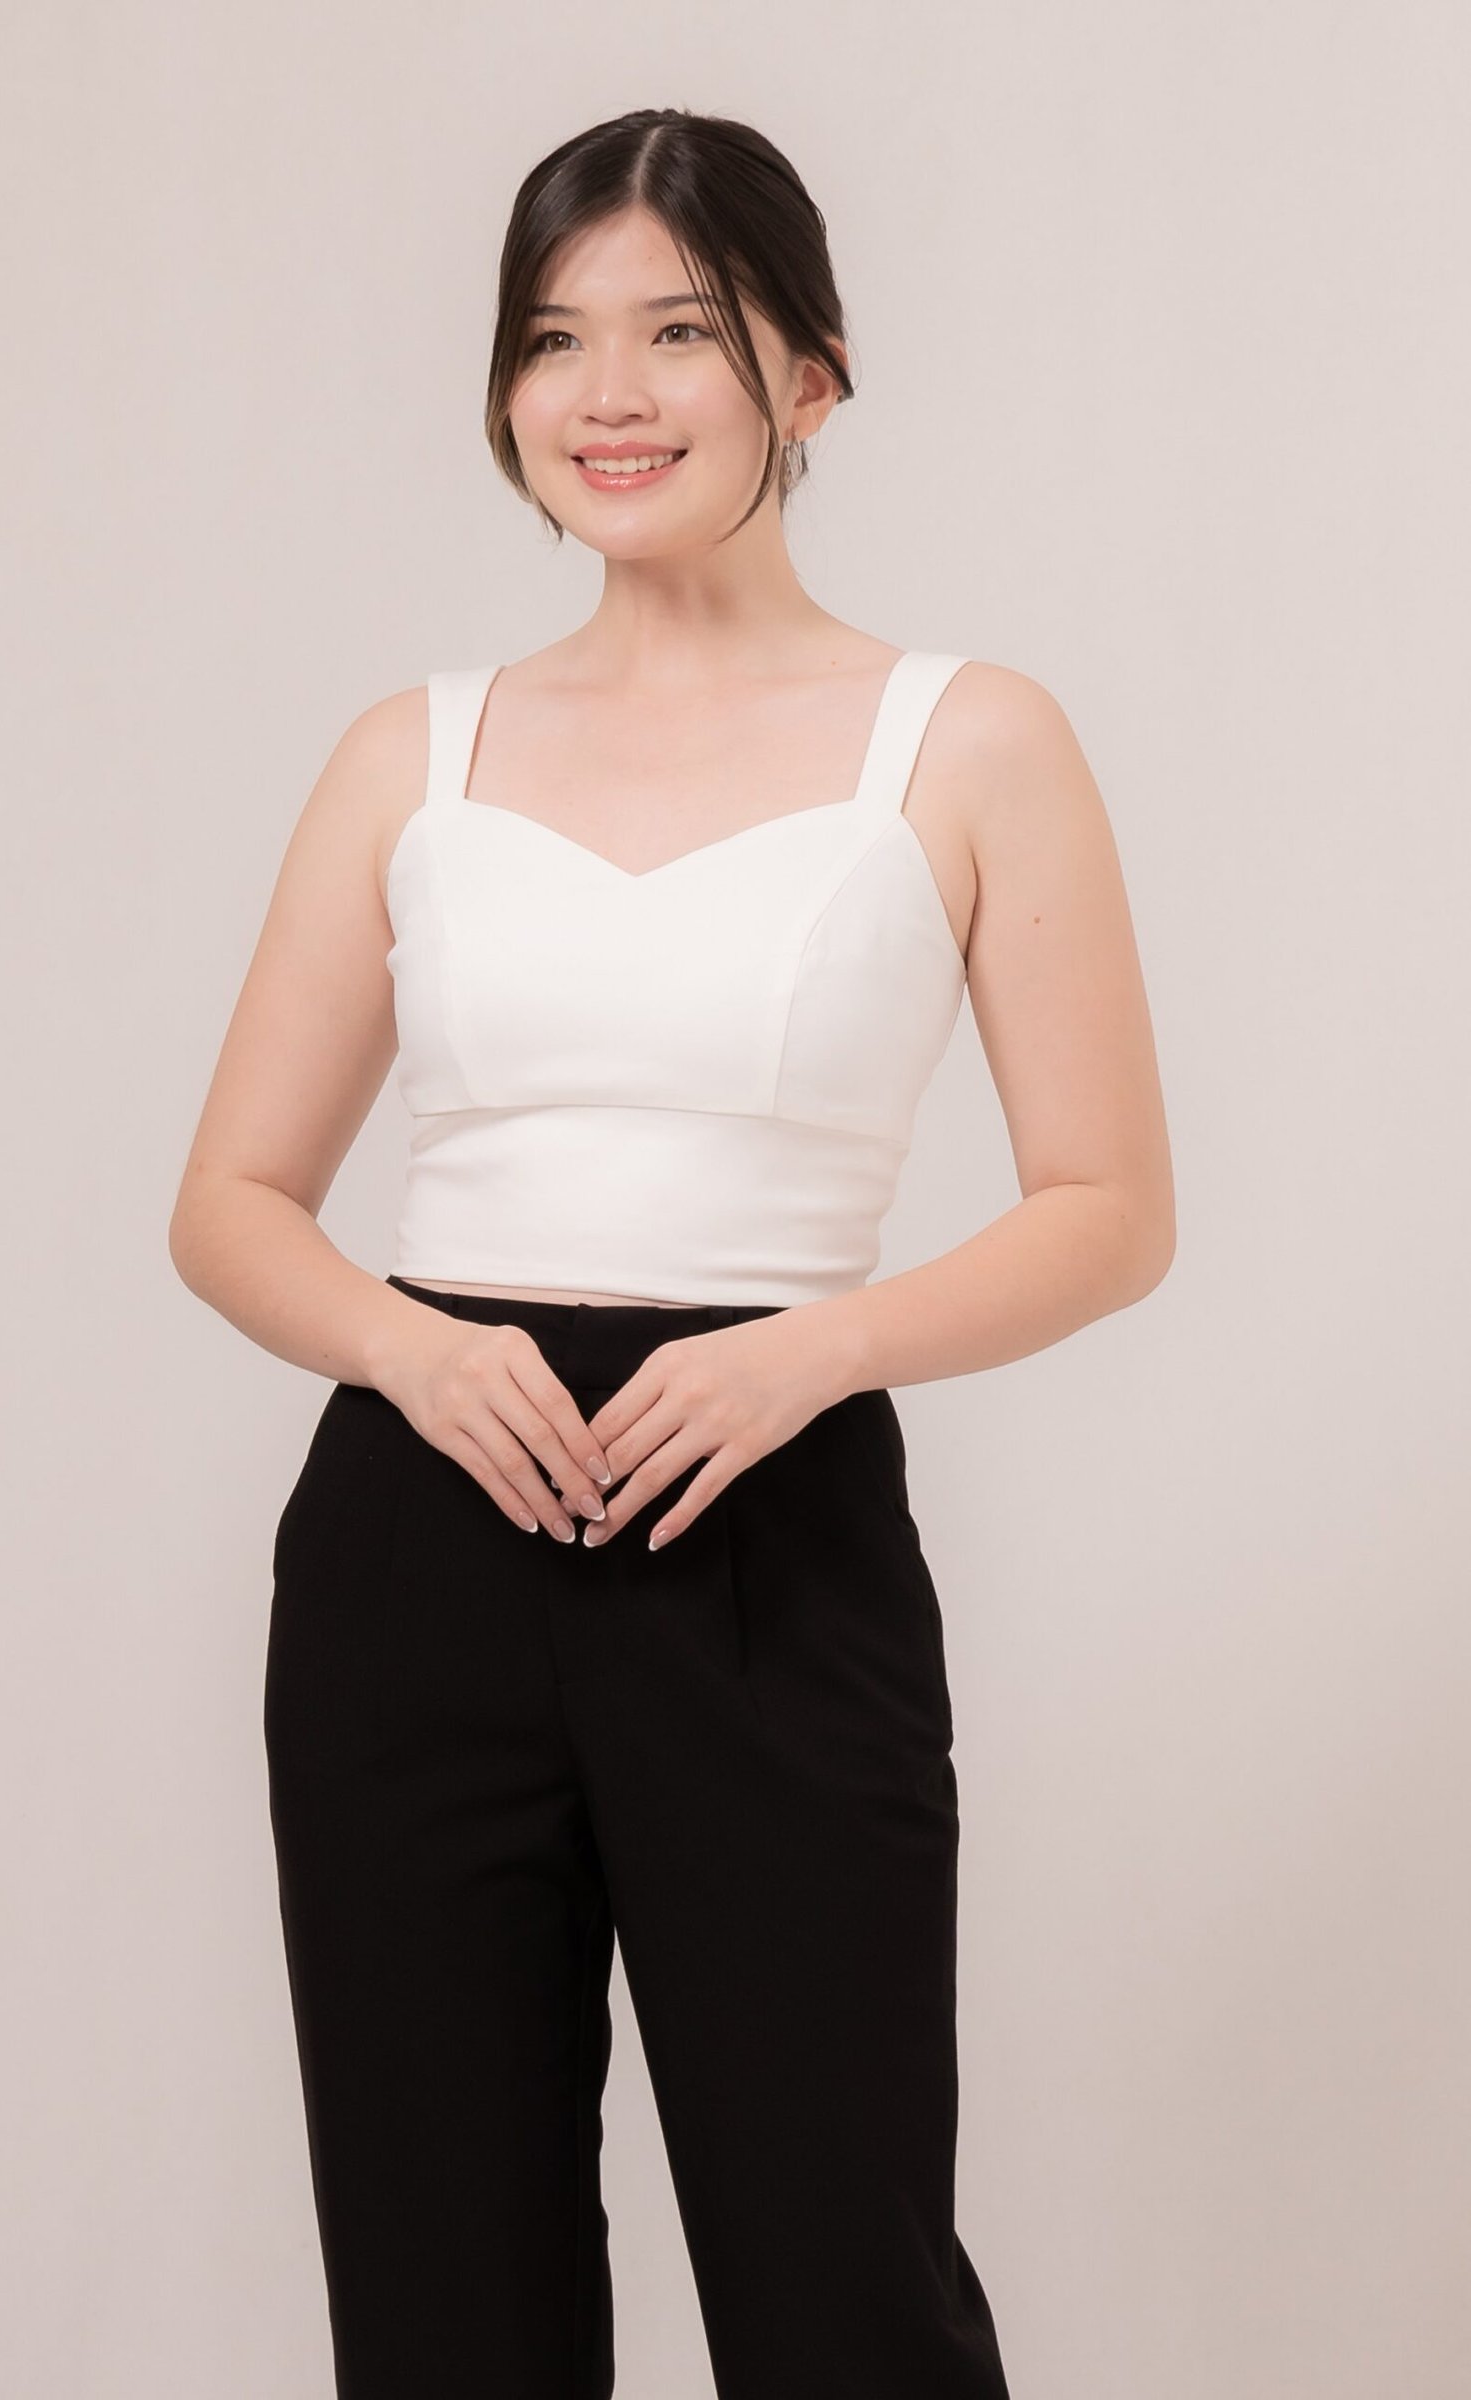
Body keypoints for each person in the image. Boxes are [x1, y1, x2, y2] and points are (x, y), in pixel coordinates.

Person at [169, 106, 1174, 2400]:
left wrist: (803, 1354)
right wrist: (415, 1357)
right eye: (551, 340)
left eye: (677, 333)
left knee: (842, 2293)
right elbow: (227, 1202)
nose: (603, 395)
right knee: (445, 2303)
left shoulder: (964, 739)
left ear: (809, 371)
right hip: (422, 1539)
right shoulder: (411, 754)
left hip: (769, 1527)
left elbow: (1107, 1208)